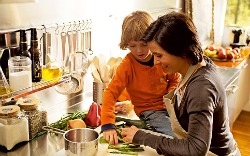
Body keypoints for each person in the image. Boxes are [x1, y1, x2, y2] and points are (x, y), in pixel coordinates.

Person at [121, 11, 240, 156]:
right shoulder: (195, 66)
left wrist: (142, 137)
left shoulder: (201, 88)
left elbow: (196, 149)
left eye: (159, 55)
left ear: (181, 50)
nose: (156, 61)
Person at [101, 10, 181, 145]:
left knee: (191, 133)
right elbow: (110, 93)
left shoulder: (161, 57)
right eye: (132, 45)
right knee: (176, 139)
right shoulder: (127, 65)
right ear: (126, 44)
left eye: (144, 44)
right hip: (150, 111)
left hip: (171, 106)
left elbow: (175, 78)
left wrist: (170, 96)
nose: (139, 50)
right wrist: (108, 124)